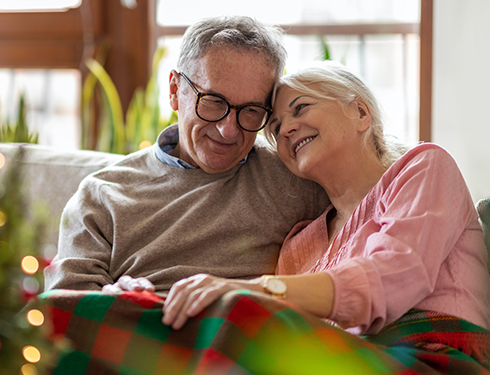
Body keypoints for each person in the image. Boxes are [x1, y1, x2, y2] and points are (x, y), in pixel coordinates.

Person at [159, 62, 490, 338]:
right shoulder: (298, 247)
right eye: (274, 128)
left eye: (300, 108)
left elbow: (390, 280)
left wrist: (258, 289)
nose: (286, 129)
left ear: (360, 112)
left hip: (434, 355)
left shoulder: (424, 168)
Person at [47, 16, 329, 292]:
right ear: (174, 90)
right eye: (213, 102)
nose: (228, 130)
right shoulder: (102, 195)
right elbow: (66, 313)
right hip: (137, 328)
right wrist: (111, 301)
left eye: (252, 111)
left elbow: (368, 215)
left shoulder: (295, 178)